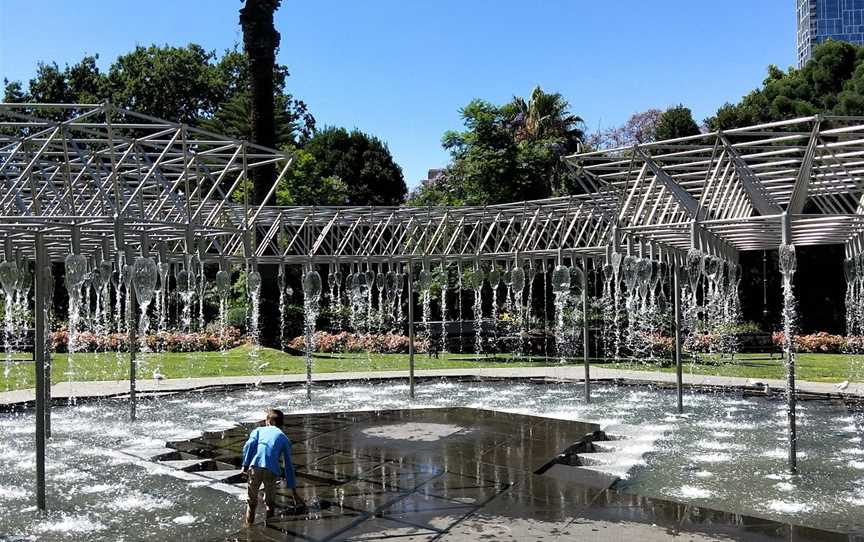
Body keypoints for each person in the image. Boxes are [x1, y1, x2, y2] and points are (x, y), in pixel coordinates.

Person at [241, 408, 303, 526]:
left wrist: (244, 465)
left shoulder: (258, 431)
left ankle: (248, 526)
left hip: (255, 467)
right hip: (272, 470)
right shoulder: (284, 438)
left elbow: (248, 446)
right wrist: (294, 492)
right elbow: (289, 466)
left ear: (269, 421)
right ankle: (268, 529)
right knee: (270, 505)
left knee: (251, 503)